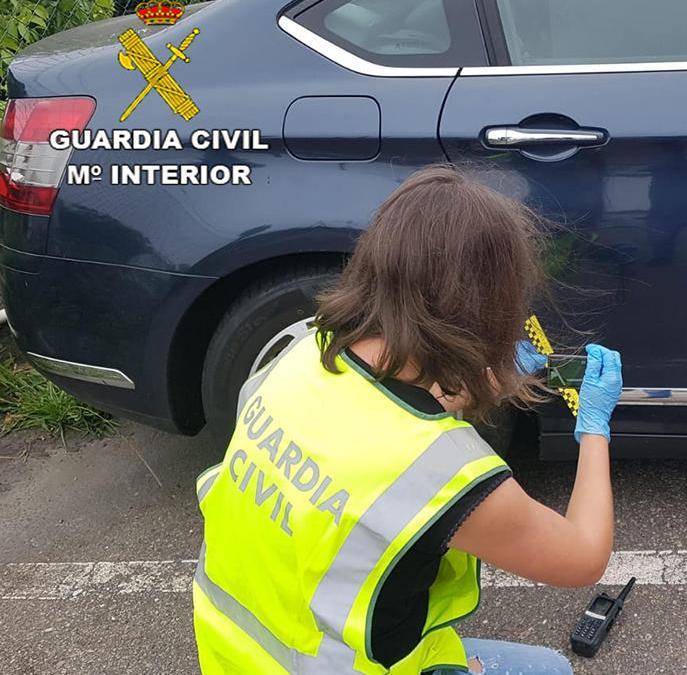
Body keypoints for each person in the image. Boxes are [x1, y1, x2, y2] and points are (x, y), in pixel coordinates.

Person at [191, 166, 623, 675]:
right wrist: (595, 426)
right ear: (488, 309)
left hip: (232, 651)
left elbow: (373, 418)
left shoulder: (300, 352)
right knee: (549, 668)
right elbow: (583, 556)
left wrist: (473, 380)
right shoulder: (444, 474)